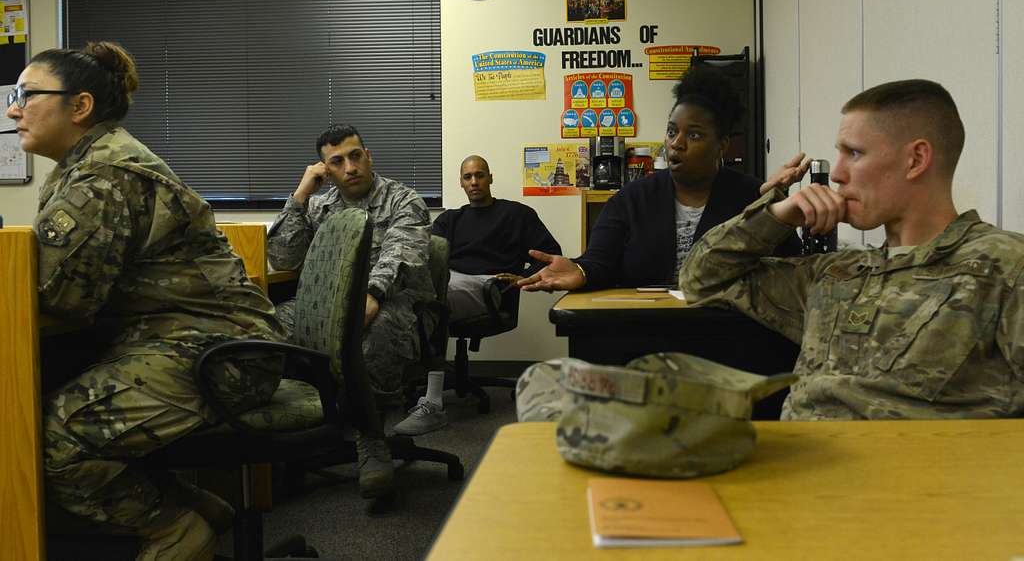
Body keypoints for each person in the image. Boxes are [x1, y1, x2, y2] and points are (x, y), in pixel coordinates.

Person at [6, 42, 285, 561]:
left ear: (80, 106)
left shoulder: (105, 175)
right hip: (192, 343)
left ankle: (174, 529)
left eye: (27, 94)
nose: (13, 108)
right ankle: (199, 509)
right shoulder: (86, 165)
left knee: (51, 438)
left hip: (222, 355)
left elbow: (63, 297)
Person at [680, 78, 1024, 420]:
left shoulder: (1002, 267)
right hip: (798, 459)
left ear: (916, 159)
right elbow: (701, 279)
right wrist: (776, 215)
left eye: (854, 153)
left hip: (912, 467)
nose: (839, 175)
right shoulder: (837, 274)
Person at [520, 66, 803, 293]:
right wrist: (579, 271)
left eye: (694, 135)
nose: (676, 144)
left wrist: (771, 209)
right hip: (648, 326)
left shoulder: (751, 195)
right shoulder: (631, 199)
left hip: (729, 330)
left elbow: (788, 271)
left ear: (722, 145)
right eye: (671, 132)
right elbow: (600, 262)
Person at [268, 123, 433, 496]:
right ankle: (287, 434)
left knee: (373, 331)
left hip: (391, 299)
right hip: (327, 305)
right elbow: (282, 257)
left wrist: (372, 293)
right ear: (326, 169)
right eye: (337, 161)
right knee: (268, 326)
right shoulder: (319, 206)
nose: (350, 167)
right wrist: (300, 194)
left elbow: (403, 253)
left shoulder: (403, 200)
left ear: (368, 156)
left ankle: (370, 435)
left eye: (356, 156)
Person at [392, 154, 561, 436]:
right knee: (409, 294)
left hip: (490, 285)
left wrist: (524, 277)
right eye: (468, 177)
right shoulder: (449, 220)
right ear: (461, 182)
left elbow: (550, 255)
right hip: (451, 281)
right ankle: (391, 386)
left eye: (479, 175)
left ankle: (432, 402)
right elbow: (427, 258)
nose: (474, 182)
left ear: (490, 177)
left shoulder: (517, 214)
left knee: (434, 298)